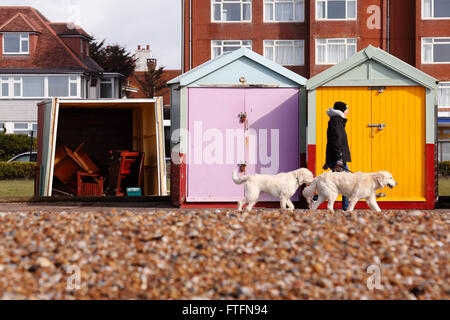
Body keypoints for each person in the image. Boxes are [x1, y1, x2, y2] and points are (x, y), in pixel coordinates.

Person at [316, 101, 352, 211]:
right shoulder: (336, 121)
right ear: (341, 110)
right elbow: (336, 140)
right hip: (338, 157)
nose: (348, 111)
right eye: (346, 109)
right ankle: (346, 208)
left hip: (338, 157)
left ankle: (345, 207)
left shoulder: (337, 121)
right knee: (344, 182)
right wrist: (339, 157)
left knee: (341, 182)